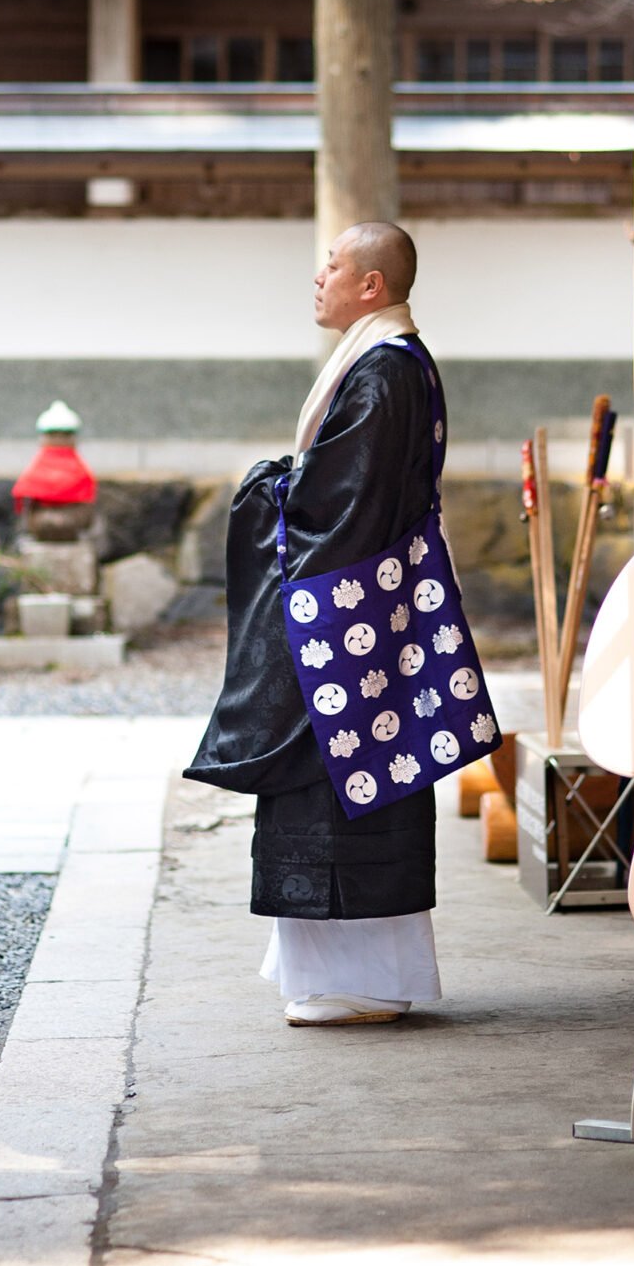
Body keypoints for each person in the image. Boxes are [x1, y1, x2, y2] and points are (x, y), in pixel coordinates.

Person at [184, 221, 443, 1027]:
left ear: (372, 286)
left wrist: (269, 491)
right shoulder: (388, 362)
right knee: (352, 782)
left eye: (332, 267)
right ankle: (346, 972)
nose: (319, 279)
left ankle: (357, 979)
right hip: (367, 605)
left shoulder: (382, 373)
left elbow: (339, 507)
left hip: (344, 616)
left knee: (337, 782)